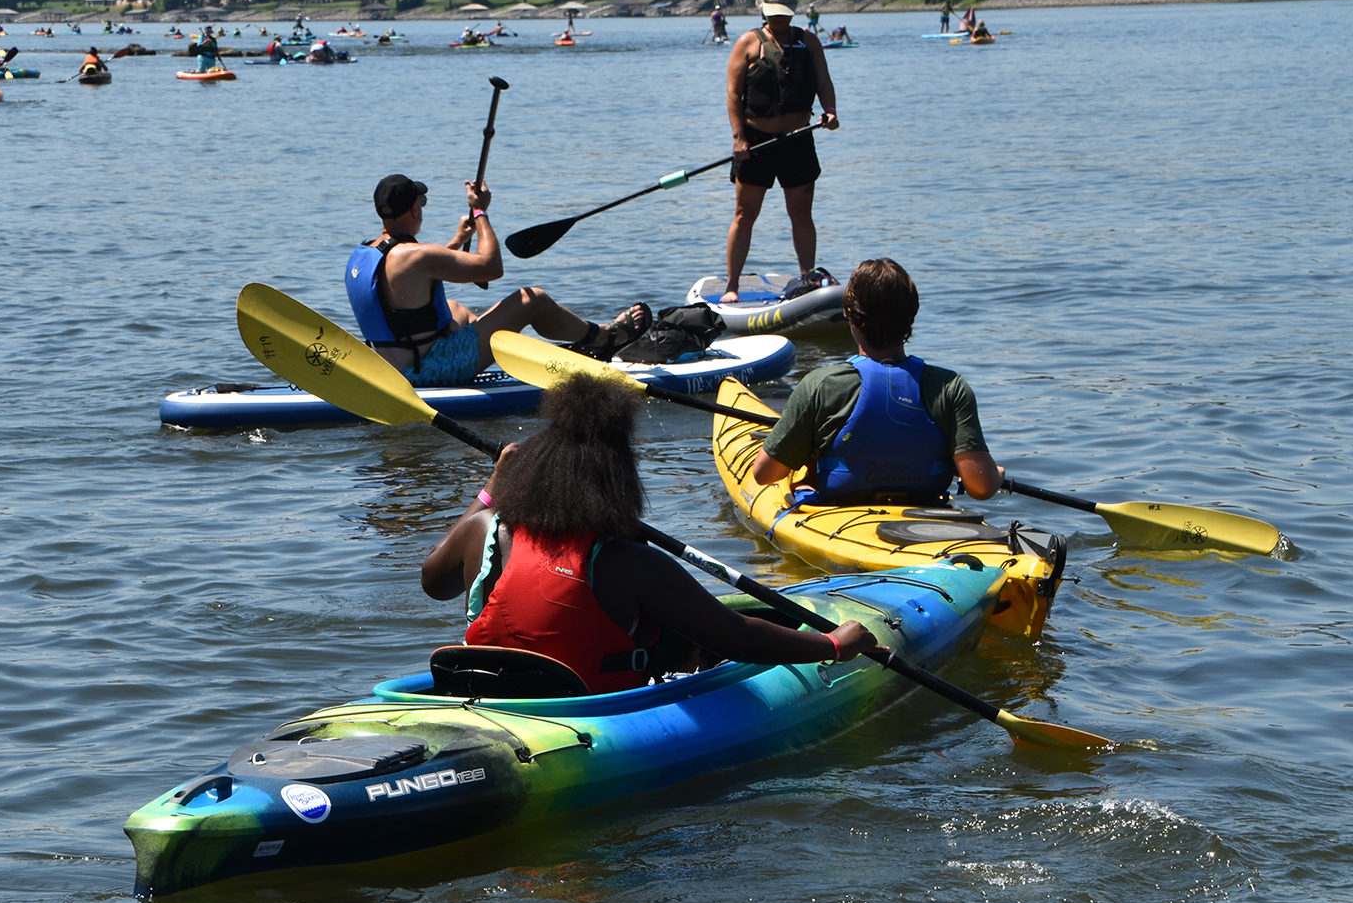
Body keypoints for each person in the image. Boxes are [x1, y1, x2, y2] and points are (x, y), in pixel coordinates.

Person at [420, 374, 880, 694]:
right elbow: (736, 638)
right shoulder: (628, 564)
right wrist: (834, 645)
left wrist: (489, 491)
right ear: (616, 477)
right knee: (683, 636)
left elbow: (434, 583)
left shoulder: (486, 527)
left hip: (489, 693)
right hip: (589, 713)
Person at [345, 173, 651, 387]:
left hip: (390, 365)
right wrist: (480, 212)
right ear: (414, 209)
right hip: (428, 371)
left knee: (456, 310)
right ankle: (602, 339)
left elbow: (408, 283)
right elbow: (491, 267)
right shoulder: (418, 256)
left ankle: (514, 351)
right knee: (532, 299)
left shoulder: (366, 253)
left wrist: (455, 241)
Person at [750, 258, 1005, 506]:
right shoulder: (951, 387)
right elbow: (981, 487)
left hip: (842, 515)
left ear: (850, 317)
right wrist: (994, 474)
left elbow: (764, 474)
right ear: (911, 317)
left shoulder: (820, 385)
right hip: (926, 512)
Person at [721, 0, 838, 303]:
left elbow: (824, 83)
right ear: (763, 9)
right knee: (745, 214)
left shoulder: (809, 42)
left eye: (784, 10)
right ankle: (732, 285)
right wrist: (738, 139)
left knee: (801, 213)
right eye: (774, 10)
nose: (779, 16)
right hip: (756, 142)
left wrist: (829, 111)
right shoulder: (748, 43)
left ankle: (808, 280)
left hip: (798, 140)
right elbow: (732, 95)